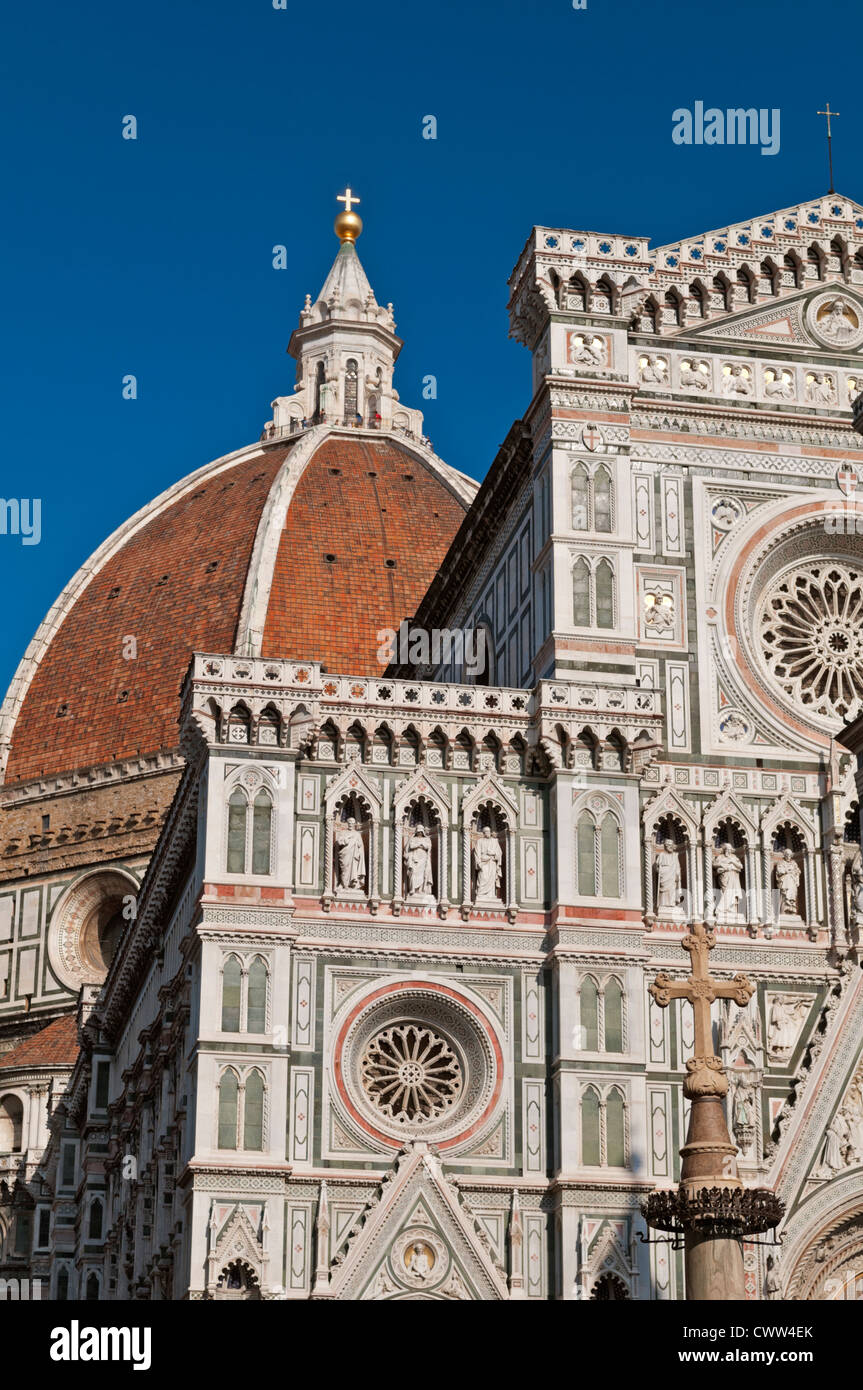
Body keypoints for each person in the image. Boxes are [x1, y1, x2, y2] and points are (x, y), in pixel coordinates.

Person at [335, 816, 365, 890]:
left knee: (353, 870)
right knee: (344, 869)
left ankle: (352, 885)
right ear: (347, 823)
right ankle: (343, 884)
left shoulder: (357, 834)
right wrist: (346, 840)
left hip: (354, 856)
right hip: (345, 854)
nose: (351, 824)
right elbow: (339, 842)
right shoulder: (343, 832)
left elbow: (360, 846)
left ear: (354, 824)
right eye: (349, 822)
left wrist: (357, 844)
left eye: (352, 822)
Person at [473, 825, 502, 900]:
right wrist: (479, 863)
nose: (488, 833)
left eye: (489, 831)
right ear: (483, 833)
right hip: (483, 863)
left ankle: (491, 895)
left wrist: (493, 853)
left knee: (491, 880)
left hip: (492, 862)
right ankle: (480, 894)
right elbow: (477, 853)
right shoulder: (480, 841)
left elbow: (499, 852)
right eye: (486, 832)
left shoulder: (494, 841)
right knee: (483, 878)